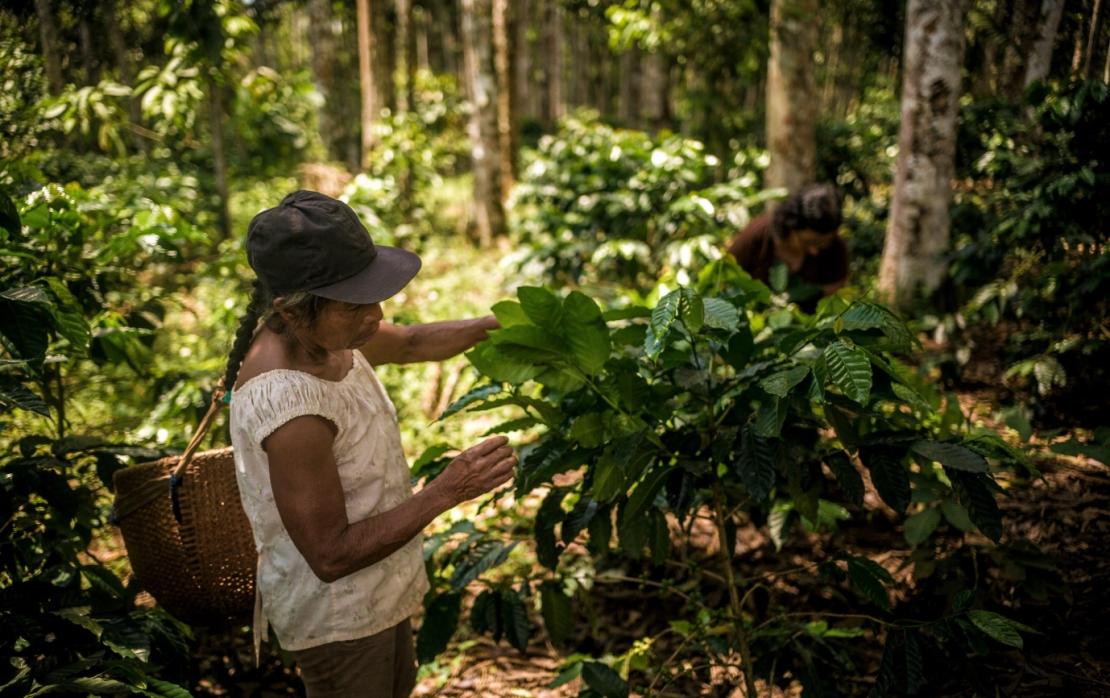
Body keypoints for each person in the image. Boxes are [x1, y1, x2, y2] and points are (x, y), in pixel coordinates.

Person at [223, 190, 516, 698]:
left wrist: (492, 328)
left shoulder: (330, 334)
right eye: (357, 303)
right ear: (291, 312)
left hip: (377, 594)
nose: (376, 314)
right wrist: (449, 489)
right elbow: (331, 556)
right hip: (340, 620)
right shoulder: (292, 409)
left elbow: (412, 343)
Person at [725, 183, 848, 310]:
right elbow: (725, 278)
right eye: (809, 243)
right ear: (792, 227)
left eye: (823, 244)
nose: (815, 251)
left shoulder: (836, 250)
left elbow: (831, 301)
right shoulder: (757, 236)